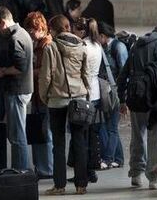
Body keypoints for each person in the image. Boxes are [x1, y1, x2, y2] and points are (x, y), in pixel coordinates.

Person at [117, 24, 157, 189]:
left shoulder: (136, 43)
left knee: (138, 135)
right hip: (155, 96)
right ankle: (153, 177)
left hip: (136, 94)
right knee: (156, 136)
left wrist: (122, 99)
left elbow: (124, 72)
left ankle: (136, 174)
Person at [39, 15, 90, 195]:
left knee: (58, 144)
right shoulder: (81, 46)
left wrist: (44, 96)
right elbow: (86, 74)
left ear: (53, 30)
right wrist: (86, 94)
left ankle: (59, 186)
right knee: (79, 142)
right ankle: (81, 185)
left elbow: (46, 76)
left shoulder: (50, 47)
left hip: (57, 100)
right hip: (79, 98)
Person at [0, 6, 34, 170]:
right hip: (24, 89)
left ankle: (20, 171)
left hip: (17, 90)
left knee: (17, 135)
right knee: (18, 132)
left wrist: (1, 71)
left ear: (2, 22)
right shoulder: (23, 33)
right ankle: (22, 169)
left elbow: (20, 67)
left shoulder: (14, 38)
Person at [24, 12, 54, 179]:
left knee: (45, 132)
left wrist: (27, 72)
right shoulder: (37, 45)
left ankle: (46, 169)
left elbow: (45, 71)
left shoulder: (46, 46)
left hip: (45, 95)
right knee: (38, 130)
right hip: (37, 94)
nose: (30, 34)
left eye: (32, 30)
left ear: (41, 28)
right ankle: (41, 167)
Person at [74, 18, 103, 180]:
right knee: (92, 135)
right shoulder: (97, 45)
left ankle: (83, 172)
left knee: (81, 137)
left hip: (85, 95)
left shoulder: (82, 46)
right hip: (96, 93)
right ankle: (91, 171)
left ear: (81, 31)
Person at [97, 22, 126, 169]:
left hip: (115, 92)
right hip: (107, 92)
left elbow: (125, 72)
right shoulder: (104, 47)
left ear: (103, 36)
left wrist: (124, 99)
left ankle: (108, 159)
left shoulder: (118, 47)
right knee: (110, 126)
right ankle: (118, 158)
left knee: (111, 127)